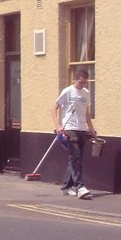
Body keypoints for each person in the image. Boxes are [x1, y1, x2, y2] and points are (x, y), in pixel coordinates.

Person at [50, 69, 96, 199]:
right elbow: (54, 108)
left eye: (85, 83)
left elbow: (86, 114)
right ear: (74, 79)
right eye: (81, 82)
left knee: (75, 158)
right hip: (69, 128)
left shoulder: (86, 93)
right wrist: (58, 126)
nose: (83, 85)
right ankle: (79, 187)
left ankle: (66, 187)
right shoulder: (68, 91)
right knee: (75, 156)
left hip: (82, 129)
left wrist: (91, 130)